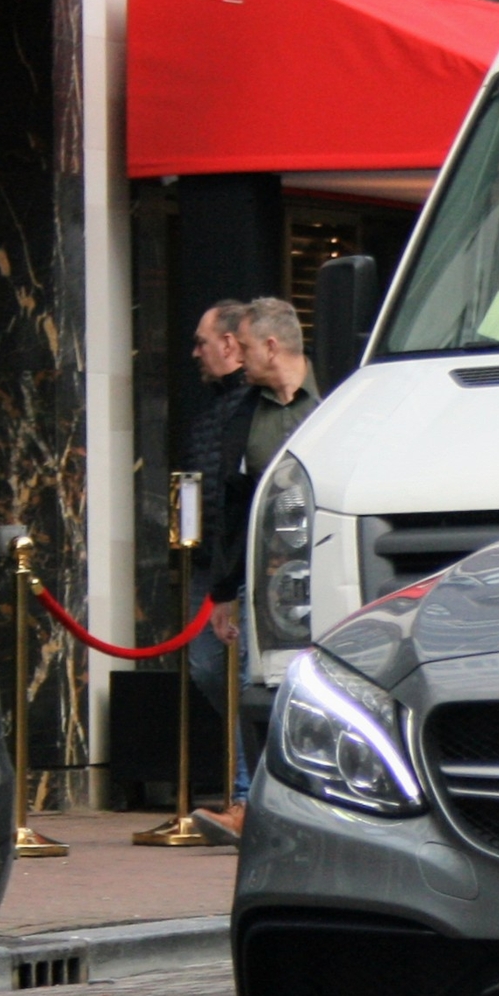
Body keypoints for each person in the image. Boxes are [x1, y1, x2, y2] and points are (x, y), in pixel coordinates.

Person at [194, 297, 323, 843]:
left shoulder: (338, 404)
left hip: (325, 569)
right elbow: (231, 503)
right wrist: (224, 589)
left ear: (273, 346)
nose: (237, 358)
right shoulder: (242, 413)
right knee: (256, 681)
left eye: (245, 347)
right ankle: (251, 803)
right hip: (261, 576)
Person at [182, 301, 252, 823]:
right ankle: (244, 784)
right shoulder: (208, 412)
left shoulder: (254, 407)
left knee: (245, 672)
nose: (196, 352)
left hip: (243, 562)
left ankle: (247, 792)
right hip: (208, 561)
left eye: (203, 341)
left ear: (229, 344)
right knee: (207, 667)